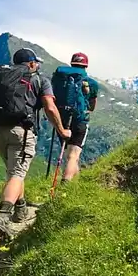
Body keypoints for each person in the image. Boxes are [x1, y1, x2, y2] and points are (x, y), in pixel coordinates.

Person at [0, 47, 71, 241]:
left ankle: (20, 209)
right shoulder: (39, 79)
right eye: (36, 62)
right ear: (31, 63)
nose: (37, 65)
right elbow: (50, 107)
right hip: (22, 131)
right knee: (17, 174)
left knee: (13, 172)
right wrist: (62, 130)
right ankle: (3, 216)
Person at [50, 52, 99, 184]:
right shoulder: (91, 83)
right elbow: (92, 107)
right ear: (86, 65)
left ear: (72, 63)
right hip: (79, 119)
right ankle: (65, 184)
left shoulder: (60, 78)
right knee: (74, 155)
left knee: (68, 153)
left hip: (61, 119)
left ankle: (74, 184)